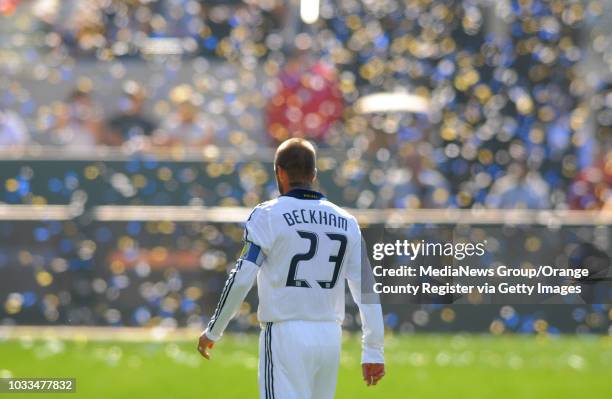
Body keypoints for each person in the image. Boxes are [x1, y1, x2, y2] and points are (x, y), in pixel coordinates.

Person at [197, 138, 385, 398]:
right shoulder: (347, 221)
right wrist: (373, 350)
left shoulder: (267, 214)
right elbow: (367, 290)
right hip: (329, 337)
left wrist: (214, 330)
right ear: (314, 174)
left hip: (285, 334)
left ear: (280, 172)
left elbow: (241, 278)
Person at [106, 81, 156, 145]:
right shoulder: (114, 123)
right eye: (129, 98)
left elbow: (152, 141)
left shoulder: (148, 124)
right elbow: (110, 140)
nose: (131, 102)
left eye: (135, 99)